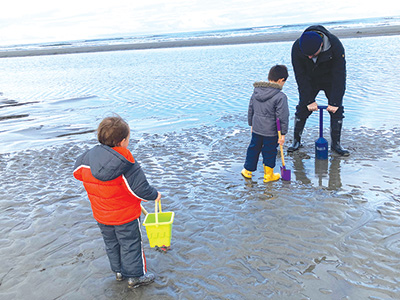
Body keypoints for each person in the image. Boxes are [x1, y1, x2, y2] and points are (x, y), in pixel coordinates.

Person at [73, 115, 161, 289]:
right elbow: (140, 189)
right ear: (122, 141)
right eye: (128, 138)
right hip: (126, 216)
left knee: (112, 244)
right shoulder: (127, 162)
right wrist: (154, 195)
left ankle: (119, 272)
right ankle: (135, 277)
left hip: (102, 215)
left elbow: (76, 173)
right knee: (131, 245)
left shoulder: (88, 158)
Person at [289, 25, 350, 156]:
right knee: (303, 108)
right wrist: (309, 100)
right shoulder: (296, 48)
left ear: (321, 45)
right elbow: (300, 77)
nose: (310, 57)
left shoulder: (335, 45)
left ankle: (336, 144)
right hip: (310, 80)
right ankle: (296, 141)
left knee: (337, 109)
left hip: (331, 79)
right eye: (307, 55)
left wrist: (335, 101)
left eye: (312, 54)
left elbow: (340, 75)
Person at [241, 65, 290, 182]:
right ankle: (268, 175)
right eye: (284, 82)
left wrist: (251, 125)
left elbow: (250, 110)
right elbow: (283, 116)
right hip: (271, 131)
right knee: (270, 151)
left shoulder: (256, 92)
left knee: (253, 148)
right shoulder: (280, 96)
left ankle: (247, 171)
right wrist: (283, 134)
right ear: (280, 80)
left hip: (257, 128)